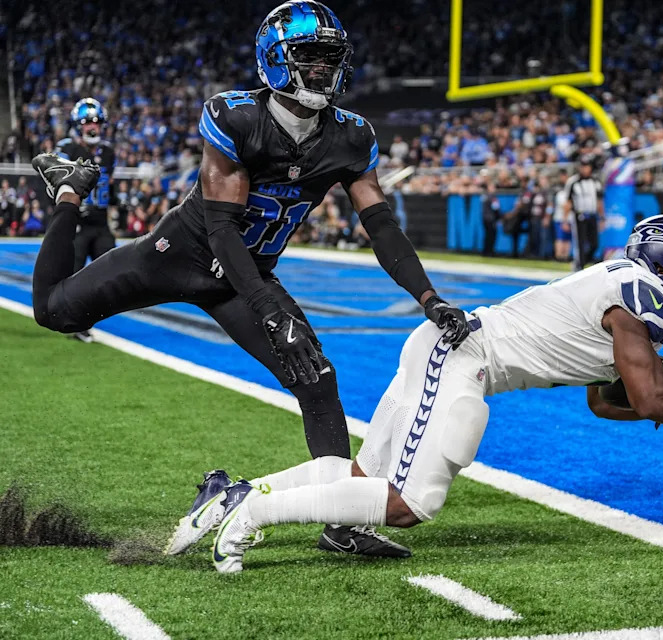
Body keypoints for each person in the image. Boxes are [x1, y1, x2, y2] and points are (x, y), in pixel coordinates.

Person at [30, 0, 470, 559]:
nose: (321, 71)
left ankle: (342, 522)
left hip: (245, 274)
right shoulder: (237, 116)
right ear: (275, 61)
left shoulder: (351, 137)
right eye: (309, 58)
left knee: (318, 381)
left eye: (329, 59)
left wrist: (428, 298)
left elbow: (380, 226)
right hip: (179, 253)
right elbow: (220, 229)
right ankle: (69, 188)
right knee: (52, 311)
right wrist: (266, 305)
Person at [162, 215, 663, 573]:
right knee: (408, 504)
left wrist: (662, 395)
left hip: (450, 351)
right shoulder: (641, 296)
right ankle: (255, 511)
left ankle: (236, 491)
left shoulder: (620, 289)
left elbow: (608, 402)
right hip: (462, 357)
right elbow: (651, 401)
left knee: (361, 474)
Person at [55, 99, 117, 343]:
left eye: (96, 122)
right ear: (76, 125)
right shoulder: (67, 148)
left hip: (100, 222)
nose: (93, 127)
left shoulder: (108, 152)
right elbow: (58, 182)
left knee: (109, 272)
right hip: (76, 221)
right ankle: (72, 319)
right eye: (87, 122)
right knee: (72, 273)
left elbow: (108, 185)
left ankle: (86, 316)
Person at [564, 157, 604, 269]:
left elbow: (600, 201)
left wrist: (602, 218)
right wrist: (565, 219)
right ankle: (579, 266)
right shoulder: (573, 182)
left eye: (587, 166)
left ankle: (582, 261)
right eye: (583, 166)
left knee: (594, 244)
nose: (585, 169)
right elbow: (568, 202)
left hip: (592, 215)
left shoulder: (595, 182)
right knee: (580, 243)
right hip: (579, 216)